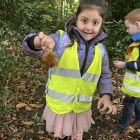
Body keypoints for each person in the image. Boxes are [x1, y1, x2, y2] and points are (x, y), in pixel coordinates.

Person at [23, 0, 117, 139]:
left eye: (95, 22)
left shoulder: (101, 51)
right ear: (76, 18)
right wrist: (38, 41)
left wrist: (106, 96)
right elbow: (32, 47)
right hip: (60, 106)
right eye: (84, 21)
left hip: (81, 107)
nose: (89, 27)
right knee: (61, 134)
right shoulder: (61, 40)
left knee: (76, 134)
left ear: (101, 24)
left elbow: (105, 76)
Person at [113, 9, 140, 133]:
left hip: (135, 86)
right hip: (137, 87)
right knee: (137, 103)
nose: (127, 30)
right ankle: (139, 121)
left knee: (128, 104)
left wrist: (124, 65)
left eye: (128, 27)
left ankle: (122, 126)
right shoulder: (136, 42)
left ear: (137, 25)